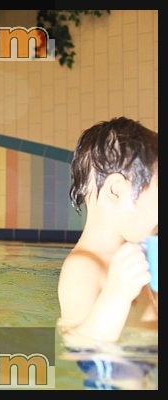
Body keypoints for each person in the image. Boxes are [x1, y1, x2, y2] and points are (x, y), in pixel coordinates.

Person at [57, 117, 158, 343]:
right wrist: (116, 294)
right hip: (126, 363)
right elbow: (77, 343)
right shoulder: (83, 268)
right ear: (117, 191)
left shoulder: (137, 253)